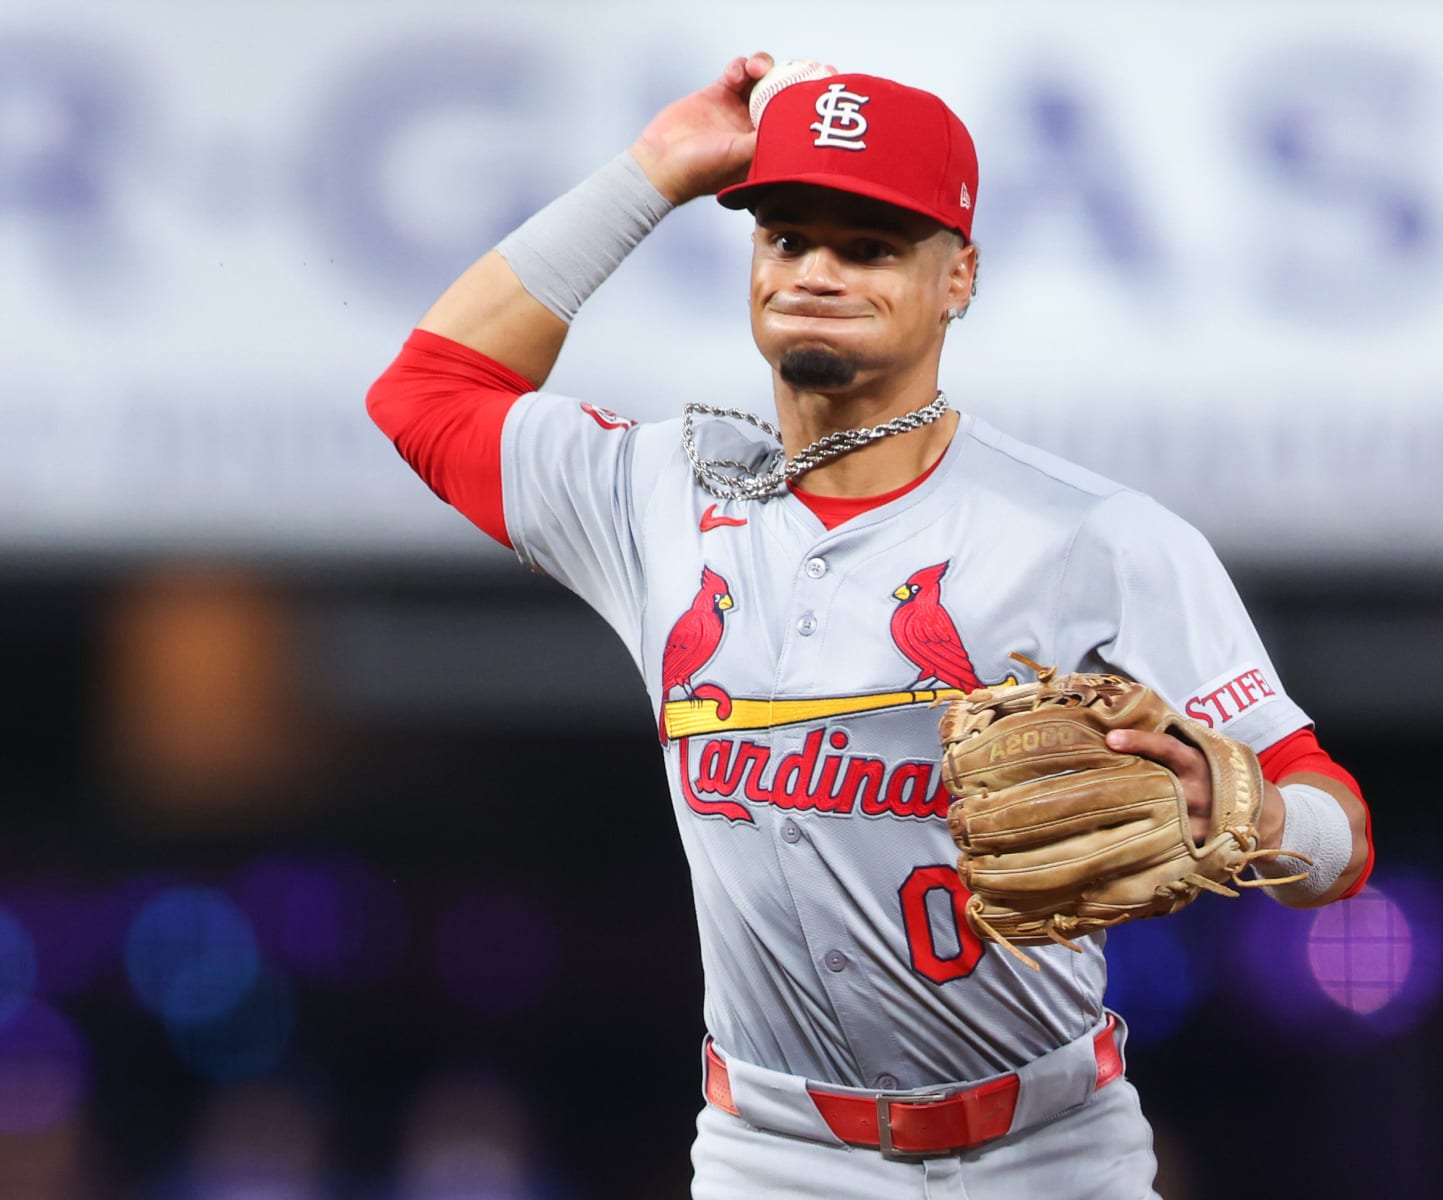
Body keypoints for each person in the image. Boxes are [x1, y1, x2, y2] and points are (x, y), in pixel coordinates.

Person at [366, 53, 1373, 1199]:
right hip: (772, 1159)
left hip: (1049, 1156)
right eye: (787, 238)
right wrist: (652, 174)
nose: (817, 273)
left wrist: (1245, 812)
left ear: (960, 277)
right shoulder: (654, 499)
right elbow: (427, 394)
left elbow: (1342, 833)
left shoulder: (1098, 538)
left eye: (871, 246)